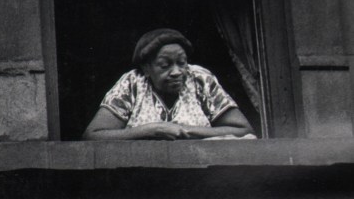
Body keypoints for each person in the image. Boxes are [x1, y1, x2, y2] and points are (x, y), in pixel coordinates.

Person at [82, 28, 255, 141]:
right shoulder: (132, 83)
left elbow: (242, 129)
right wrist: (151, 130)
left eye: (182, 62)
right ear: (146, 68)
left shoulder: (200, 79)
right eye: (165, 65)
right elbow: (92, 136)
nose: (176, 72)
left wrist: (184, 130)